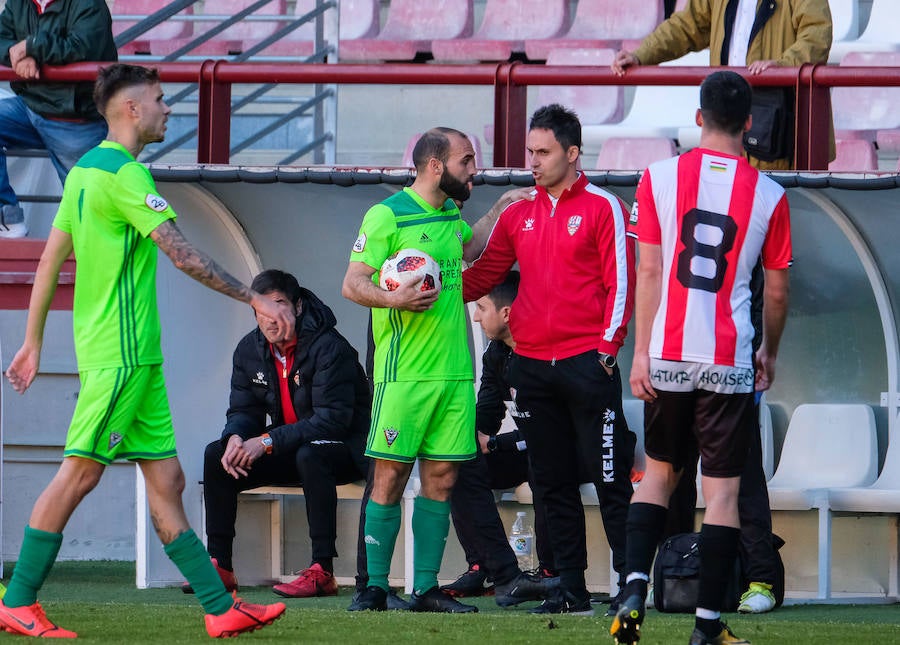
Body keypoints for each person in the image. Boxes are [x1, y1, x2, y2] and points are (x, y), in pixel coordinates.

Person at [1, 64, 294, 639]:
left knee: (168, 482)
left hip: (133, 360)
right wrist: (254, 299)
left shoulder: (85, 171)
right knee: (80, 474)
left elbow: (50, 259)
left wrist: (33, 341)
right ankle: (18, 600)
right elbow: (182, 255)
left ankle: (218, 608)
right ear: (131, 109)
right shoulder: (128, 176)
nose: (168, 109)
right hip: (122, 357)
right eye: (160, 100)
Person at [611, 70, 791, 645]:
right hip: (728, 357)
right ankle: (707, 626)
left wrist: (639, 354)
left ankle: (634, 587)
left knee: (658, 474)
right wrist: (769, 350)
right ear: (748, 124)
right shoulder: (770, 195)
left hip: (666, 352)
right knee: (723, 493)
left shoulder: (658, 177)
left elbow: (649, 269)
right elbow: (779, 290)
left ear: (697, 118)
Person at [342, 127, 534, 613]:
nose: (474, 170)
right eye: (466, 161)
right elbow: (352, 283)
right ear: (435, 165)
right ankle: (374, 587)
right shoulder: (387, 215)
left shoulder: (450, 215)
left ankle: (425, 589)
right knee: (388, 475)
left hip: (453, 376)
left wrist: (506, 203)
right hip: (403, 376)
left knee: (443, 478)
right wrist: (393, 298)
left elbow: (470, 249)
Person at [463, 104, 637, 616]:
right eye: (529, 153)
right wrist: (435, 285)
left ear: (573, 152)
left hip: (588, 364)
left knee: (610, 481)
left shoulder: (605, 206)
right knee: (550, 484)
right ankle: (571, 589)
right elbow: (485, 273)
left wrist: (607, 350)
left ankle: (630, 584)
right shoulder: (519, 213)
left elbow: (620, 283)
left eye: (543, 152)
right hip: (533, 369)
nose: (532, 163)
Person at [189, 269, 371, 600]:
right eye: (261, 310)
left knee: (311, 453)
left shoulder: (330, 347)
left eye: (278, 306)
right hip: (292, 445)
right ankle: (220, 567)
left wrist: (268, 441)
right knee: (217, 455)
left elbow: (332, 421)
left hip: (344, 449)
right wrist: (235, 437)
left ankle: (321, 570)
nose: (271, 319)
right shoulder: (250, 349)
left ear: (298, 307)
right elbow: (244, 411)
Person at [440, 271, 558, 605]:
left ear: (506, 313)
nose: (474, 316)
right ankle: (485, 566)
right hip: (528, 445)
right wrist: (468, 437)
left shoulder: (546, 349)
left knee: (542, 464)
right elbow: (488, 411)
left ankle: (551, 571)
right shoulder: (497, 353)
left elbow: (553, 428)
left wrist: (495, 443)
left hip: (572, 450)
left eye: (480, 307)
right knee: (460, 465)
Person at [611, 0, 833, 170]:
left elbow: (816, 34)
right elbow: (687, 25)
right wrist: (641, 55)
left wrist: (784, 66)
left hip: (781, 124)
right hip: (729, 115)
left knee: (778, 209)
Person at [0, 0, 117, 238]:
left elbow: (83, 47)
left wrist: (31, 46)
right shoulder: (19, 2)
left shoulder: (89, 3)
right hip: (31, 106)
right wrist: (21, 55)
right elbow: (2, 40)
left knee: (91, 210)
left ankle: (97, 262)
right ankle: (8, 218)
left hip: (75, 119)